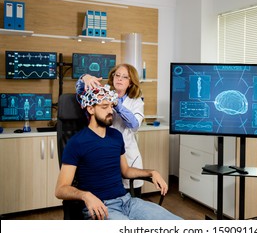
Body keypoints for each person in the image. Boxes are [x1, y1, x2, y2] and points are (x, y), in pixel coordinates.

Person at [55, 85, 181, 220]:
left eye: (111, 106)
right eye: (104, 107)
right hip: (101, 206)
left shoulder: (116, 136)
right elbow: (60, 189)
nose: (110, 111)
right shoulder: (76, 142)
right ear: (90, 109)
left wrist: (152, 172)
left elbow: (125, 171)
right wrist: (86, 196)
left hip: (128, 202)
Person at [76, 64, 144, 197]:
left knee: (131, 201)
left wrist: (117, 103)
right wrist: (85, 77)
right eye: (117, 75)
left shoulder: (136, 101)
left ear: (130, 83)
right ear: (112, 77)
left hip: (128, 157)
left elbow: (134, 125)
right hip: (104, 153)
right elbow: (80, 94)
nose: (119, 79)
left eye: (125, 77)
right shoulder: (101, 94)